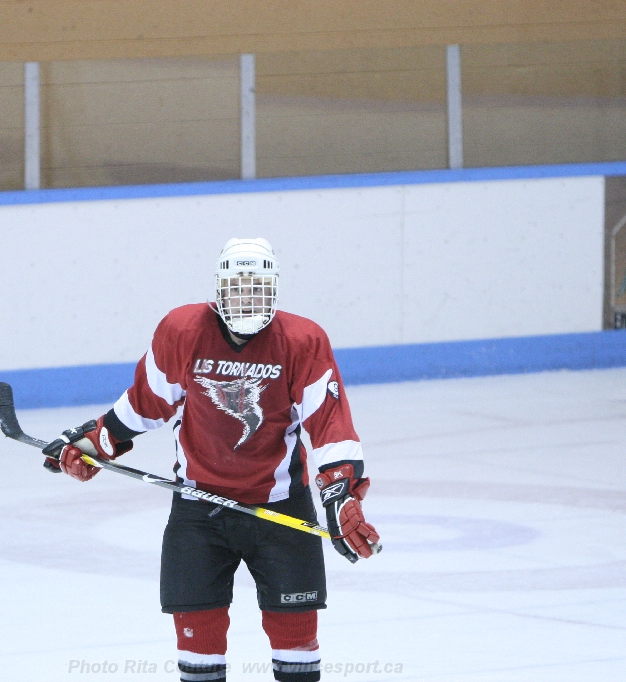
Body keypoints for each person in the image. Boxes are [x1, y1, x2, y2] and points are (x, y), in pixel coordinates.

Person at [44, 238, 380, 682]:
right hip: (199, 512)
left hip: (281, 509)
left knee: (297, 651)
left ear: (274, 291)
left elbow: (330, 422)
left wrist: (340, 493)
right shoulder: (183, 331)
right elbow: (147, 402)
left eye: (258, 288)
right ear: (220, 290)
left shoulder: (302, 340)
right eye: (238, 287)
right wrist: (97, 441)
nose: (247, 298)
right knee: (199, 653)